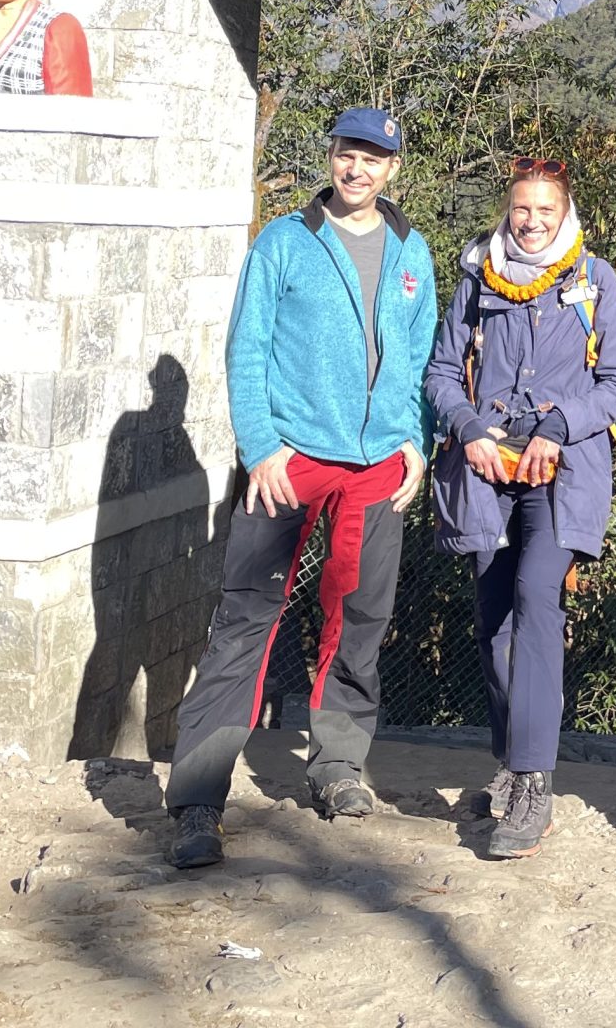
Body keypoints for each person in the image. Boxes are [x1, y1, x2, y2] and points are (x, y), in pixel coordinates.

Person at [164, 108, 437, 870]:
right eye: (348, 155)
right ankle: (196, 801)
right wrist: (261, 448)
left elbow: (417, 357)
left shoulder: (413, 251)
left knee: (359, 617)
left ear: (392, 169)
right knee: (246, 619)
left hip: (379, 464)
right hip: (291, 459)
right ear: (332, 157)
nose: (358, 170)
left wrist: (416, 440)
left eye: (374, 159)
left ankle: (339, 767)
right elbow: (245, 348)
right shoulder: (285, 242)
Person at [423, 157, 616, 861]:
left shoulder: (593, 281)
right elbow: (440, 372)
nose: (533, 220)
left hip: (560, 471)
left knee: (537, 598)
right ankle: (510, 762)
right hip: (486, 470)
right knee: (493, 621)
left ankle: (533, 778)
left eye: (546, 209)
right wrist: (467, 428)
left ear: (566, 211)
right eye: (523, 208)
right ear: (507, 210)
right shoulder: (477, 278)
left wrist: (556, 427)